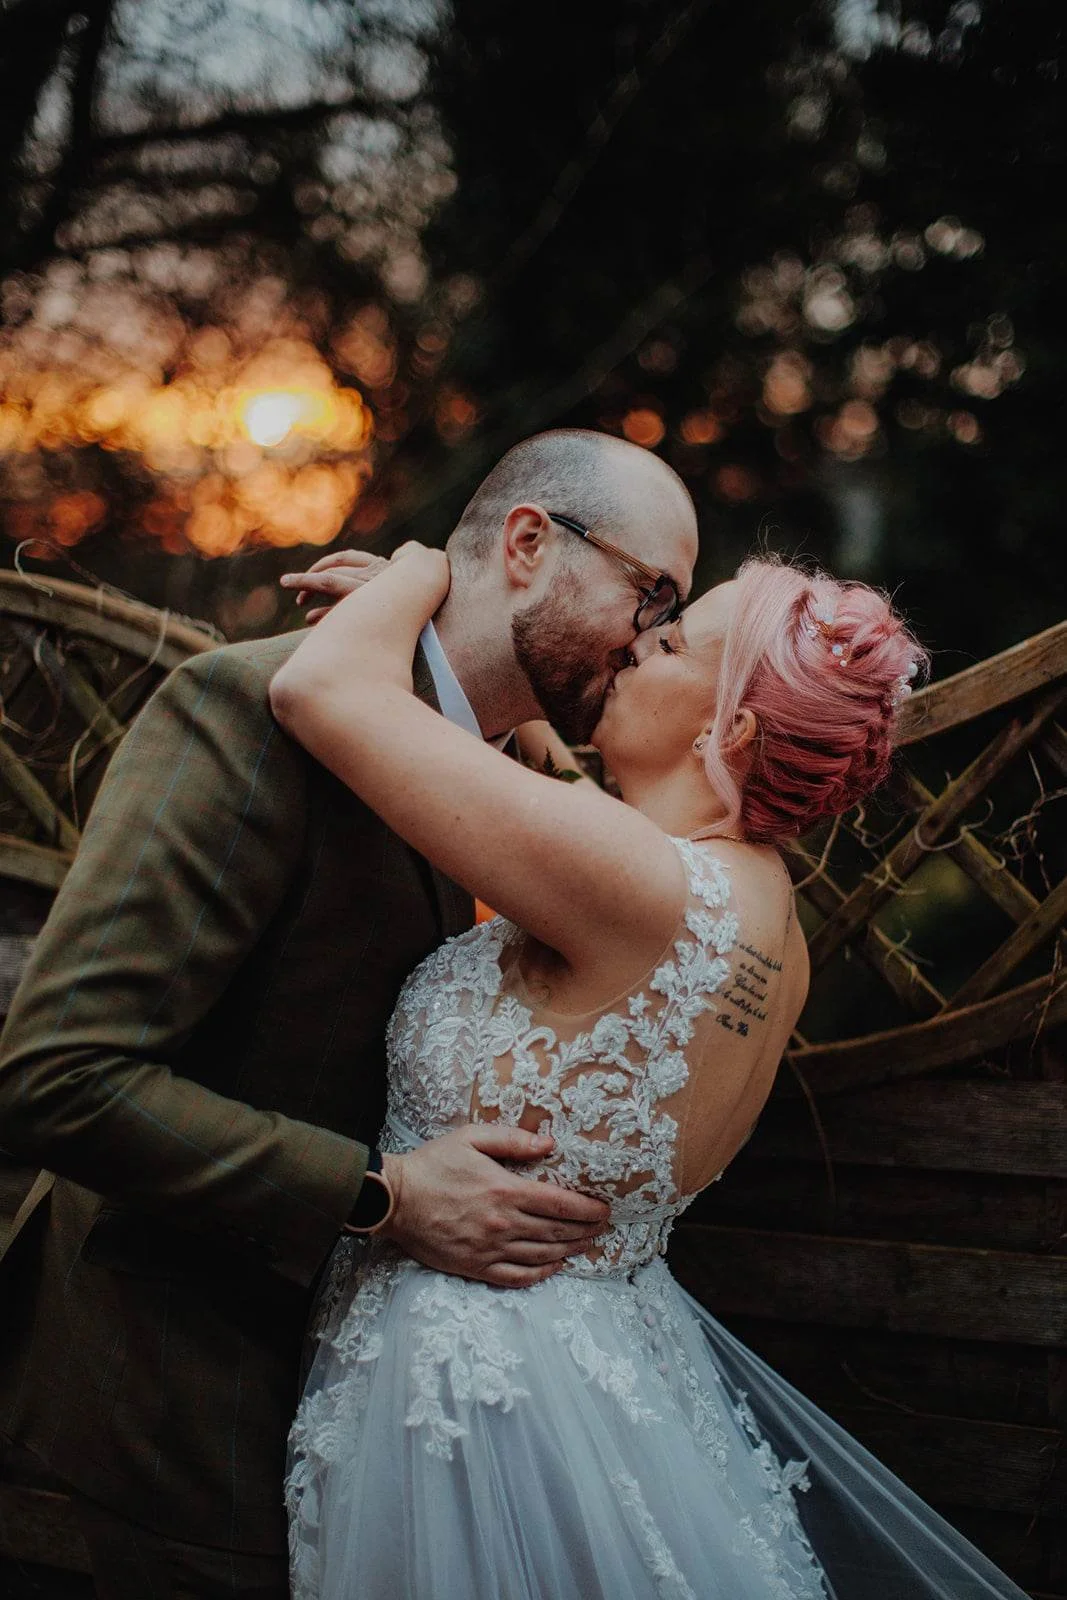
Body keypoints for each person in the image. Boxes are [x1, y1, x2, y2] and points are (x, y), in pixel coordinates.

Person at [0, 429, 698, 1599]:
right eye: (652, 592)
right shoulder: (246, 709)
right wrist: (387, 1196)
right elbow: (57, 1076)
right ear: (528, 543)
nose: (654, 636)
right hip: (190, 1393)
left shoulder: (501, 774)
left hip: (393, 1416)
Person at [271, 541, 1029, 1600]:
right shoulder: (763, 917)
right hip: (601, 1362)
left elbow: (317, 689)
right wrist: (499, 684)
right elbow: (579, 824)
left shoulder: (641, 888)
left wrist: (428, 573)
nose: (633, 645)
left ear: (729, 731)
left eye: (669, 644)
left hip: (477, 1395)